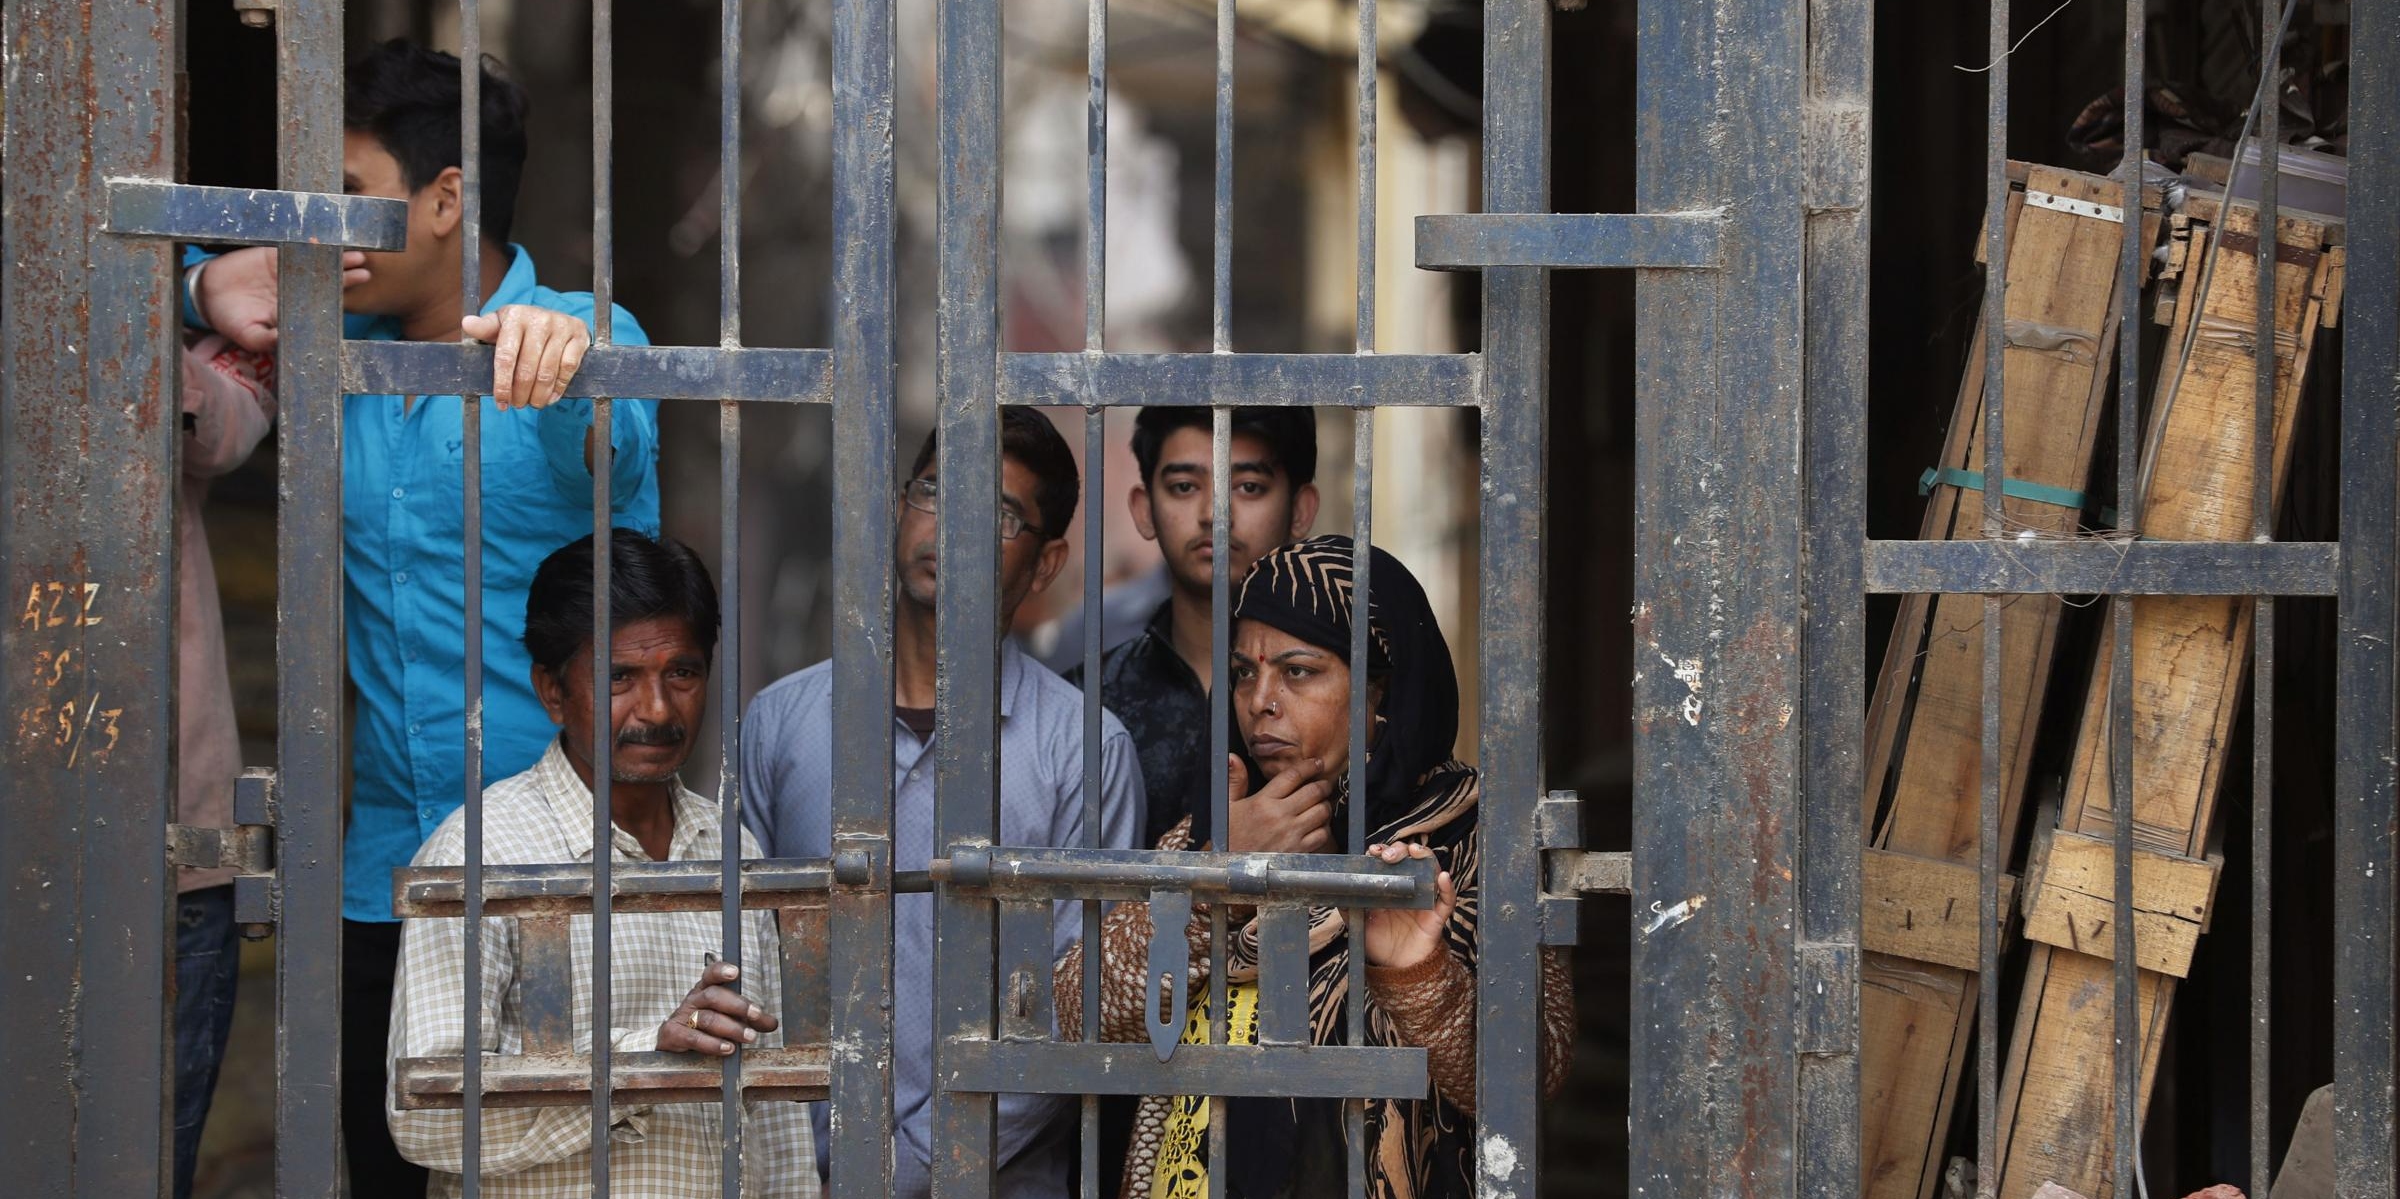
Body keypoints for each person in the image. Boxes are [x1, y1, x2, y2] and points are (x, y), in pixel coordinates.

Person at [181, 41, 661, 1197]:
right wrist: (201, 280)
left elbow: (619, 435)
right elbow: (99, 272)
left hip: (559, 879)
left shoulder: (579, 332)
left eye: (350, 195)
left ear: (447, 198)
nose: (325, 229)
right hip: (384, 882)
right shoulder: (329, 345)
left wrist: (575, 366)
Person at [1053, 535, 1576, 1199]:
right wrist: (1219, 877)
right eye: (1243, 673)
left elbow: (1532, 1077)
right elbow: (1077, 1016)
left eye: (1297, 671)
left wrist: (1417, 972)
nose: (1260, 701)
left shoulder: (1474, 840)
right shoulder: (1217, 827)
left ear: (1381, 690)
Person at [743, 409, 1144, 1199]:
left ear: (1046, 562)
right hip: (797, 1176)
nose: (951, 525)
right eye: (933, 490)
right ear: (900, 506)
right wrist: (821, 1155)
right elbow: (744, 953)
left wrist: (901, 1169)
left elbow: (1080, 1004)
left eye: (999, 513)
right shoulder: (782, 722)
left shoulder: (1085, 749)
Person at [388, 529, 816, 1197]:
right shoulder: (483, 852)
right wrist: (644, 1060)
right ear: (553, 691)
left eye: (682, 673)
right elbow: (426, 1118)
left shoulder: (731, 848)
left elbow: (775, 1112)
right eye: (620, 677)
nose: (657, 709)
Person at [1066, 406, 1318, 849]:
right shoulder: (1086, 702)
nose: (1214, 513)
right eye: (1184, 486)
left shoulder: (1346, 697)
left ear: (1300, 508)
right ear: (1144, 510)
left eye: (1249, 486)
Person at [170, 334, 278, 1199]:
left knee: (145, 1159)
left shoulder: (165, 314)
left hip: (172, 850)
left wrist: (184, 295)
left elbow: (224, 426)